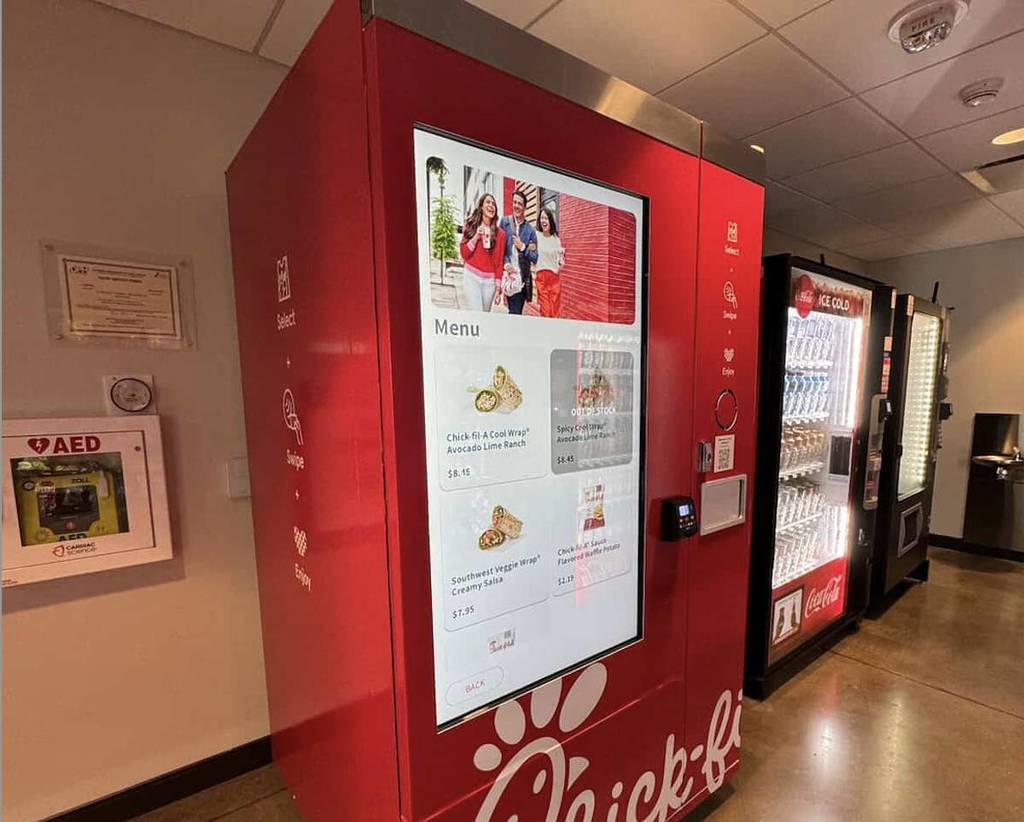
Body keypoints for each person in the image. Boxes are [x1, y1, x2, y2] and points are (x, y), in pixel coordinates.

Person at [459, 193, 506, 312]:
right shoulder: (471, 225)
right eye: (488, 202)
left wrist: (498, 288)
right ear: (481, 207)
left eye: (493, 204)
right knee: (476, 313)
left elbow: (499, 262)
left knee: (484, 316)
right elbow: (464, 254)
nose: (491, 205)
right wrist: (476, 237)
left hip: (489, 283)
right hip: (471, 277)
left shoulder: (501, 234)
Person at [499, 190, 538, 315]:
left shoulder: (530, 230)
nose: (516, 206)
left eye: (520, 204)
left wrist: (522, 247)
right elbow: (501, 250)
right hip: (509, 276)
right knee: (513, 311)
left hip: (522, 279)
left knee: (516, 312)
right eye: (514, 202)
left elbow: (535, 257)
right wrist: (506, 265)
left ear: (525, 207)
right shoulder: (504, 222)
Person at [533, 207, 565, 318]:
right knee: (546, 311)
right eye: (541, 218)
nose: (543, 221)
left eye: (545, 218)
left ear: (550, 221)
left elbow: (560, 262)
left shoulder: (556, 239)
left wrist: (561, 263)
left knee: (555, 312)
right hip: (541, 277)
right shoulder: (536, 235)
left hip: (554, 278)